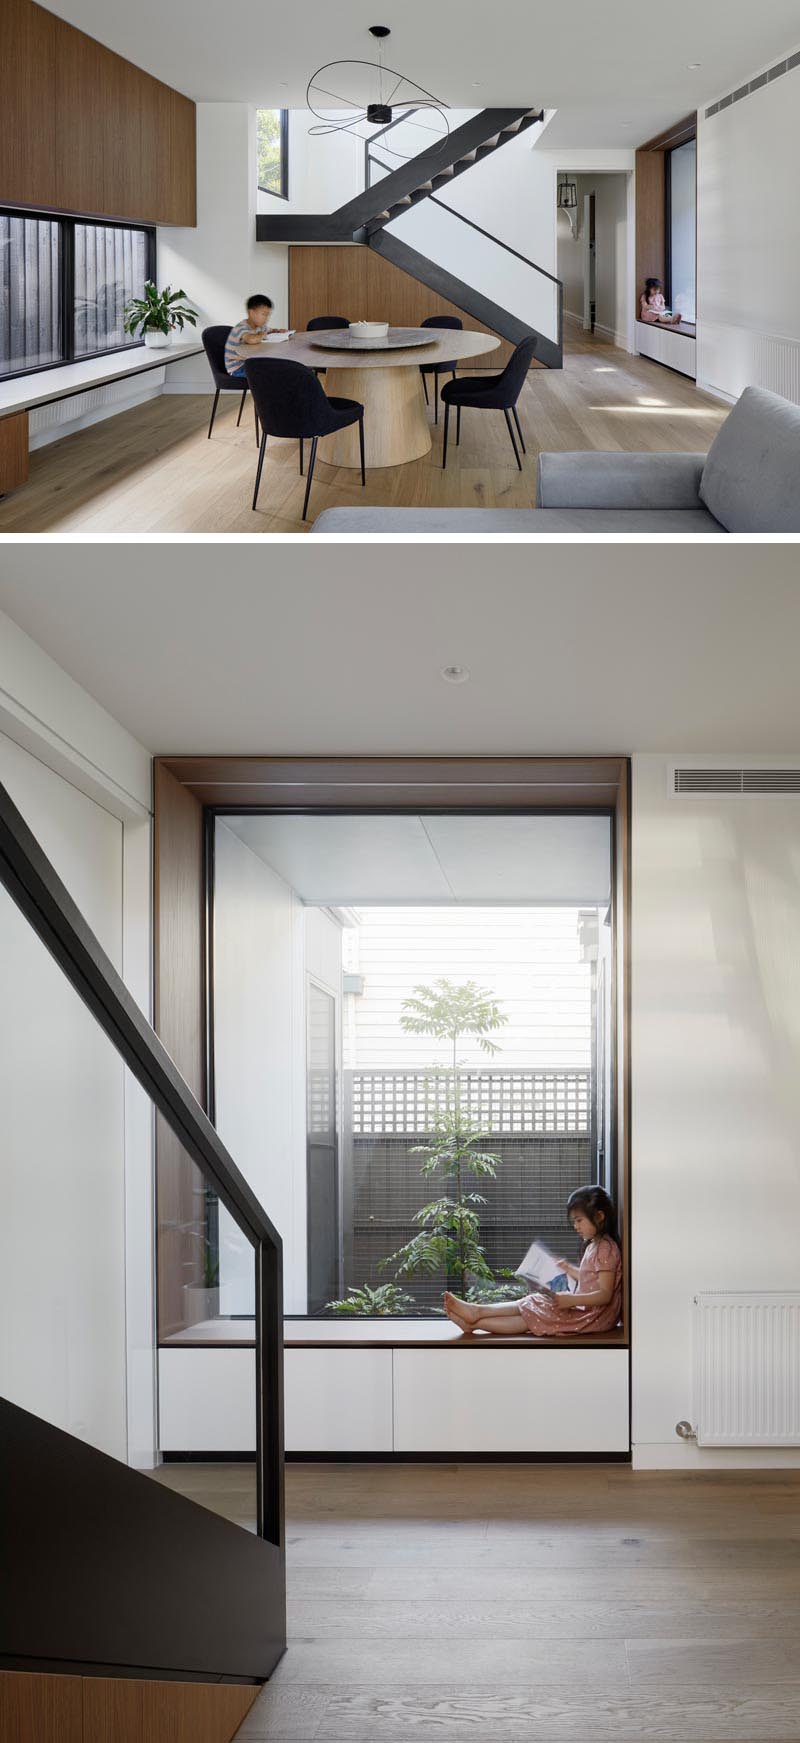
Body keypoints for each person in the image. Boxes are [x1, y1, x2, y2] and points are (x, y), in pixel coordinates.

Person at [443, 1185, 622, 1338]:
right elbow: (590, 1278)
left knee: (533, 1317)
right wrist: (569, 1269)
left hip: (593, 1316)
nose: (576, 1226)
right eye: (574, 1222)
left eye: (579, 1221)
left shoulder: (605, 1248)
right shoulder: (595, 1244)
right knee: (534, 1301)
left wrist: (571, 1300)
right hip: (587, 1309)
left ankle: (475, 1321)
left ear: (599, 1216)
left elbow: (604, 1295)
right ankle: (476, 1312)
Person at [224, 295, 287, 377]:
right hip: (237, 367)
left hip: (251, 363)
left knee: (279, 367)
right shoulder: (241, 327)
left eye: (268, 315)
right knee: (272, 374)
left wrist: (278, 331)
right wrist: (262, 334)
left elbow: (270, 330)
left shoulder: (259, 326)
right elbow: (251, 339)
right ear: (251, 313)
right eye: (264, 314)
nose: (266, 318)